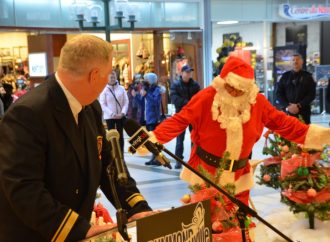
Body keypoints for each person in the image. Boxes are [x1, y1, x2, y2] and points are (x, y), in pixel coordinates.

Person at [0, 35, 154, 242]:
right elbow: (23, 188)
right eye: (108, 73)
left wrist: (137, 207)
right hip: (38, 233)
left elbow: (108, 166)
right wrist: (77, 229)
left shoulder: (90, 106)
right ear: (95, 75)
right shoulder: (29, 113)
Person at [151, 56, 330, 207]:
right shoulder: (206, 98)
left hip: (239, 174)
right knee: (209, 224)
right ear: (224, 82)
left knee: (239, 224)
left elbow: (283, 123)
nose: (236, 92)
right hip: (207, 173)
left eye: (241, 88)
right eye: (232, 86)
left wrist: (318, 136)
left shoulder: (256, 102)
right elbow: (180, 119)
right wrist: (155, 138)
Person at [170, 65, 200, 169]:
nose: (189, 74)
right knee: (180, 138)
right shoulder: (176, 85)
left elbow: (199, 98)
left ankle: (194, 159)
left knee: (194, 138)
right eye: (187, 72)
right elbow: (174, 99)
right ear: (181, 73)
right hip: (181, 115)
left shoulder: (195, 85)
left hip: (193, 115)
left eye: (190, 72)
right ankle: (178, 160)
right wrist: (188, 103)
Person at [275, 53, 316, 124]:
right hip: (287, 111)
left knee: (303, 133)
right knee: (287, 133)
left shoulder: (308, 77)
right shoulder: (284, 77)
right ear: (290, 62)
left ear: (302, 62)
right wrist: (288, 105)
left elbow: (311, 94)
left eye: (297, 59)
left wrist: (299, 105)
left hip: (303, 111)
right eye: (293, 60)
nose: (295, 61)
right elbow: (279, 93)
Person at [99, 71, 129, 153]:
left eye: (114, 77)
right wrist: (112, 114)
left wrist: (122, 113)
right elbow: (102, 104)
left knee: (120, 136)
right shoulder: (104, 90)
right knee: (111, 137)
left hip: (120, 116)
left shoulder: (121, 88)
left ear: (116, 77)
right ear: (107, 78)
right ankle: (113, 154)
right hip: (109, 117)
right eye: (111, 77)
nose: (112, 79)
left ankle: (121, 155)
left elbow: (126, 102)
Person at [142, 72, 163, 166]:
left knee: (156, 140)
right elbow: (142, 102)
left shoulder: (157, 90)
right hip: (148, 118)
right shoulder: (147, 89)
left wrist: (146, 94)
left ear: (150, 80)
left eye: (146, 79)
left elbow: (155, 103)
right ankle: (153, 158)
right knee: (151, 139)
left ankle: (158, 159)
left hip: (154, 118)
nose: (144, 81)